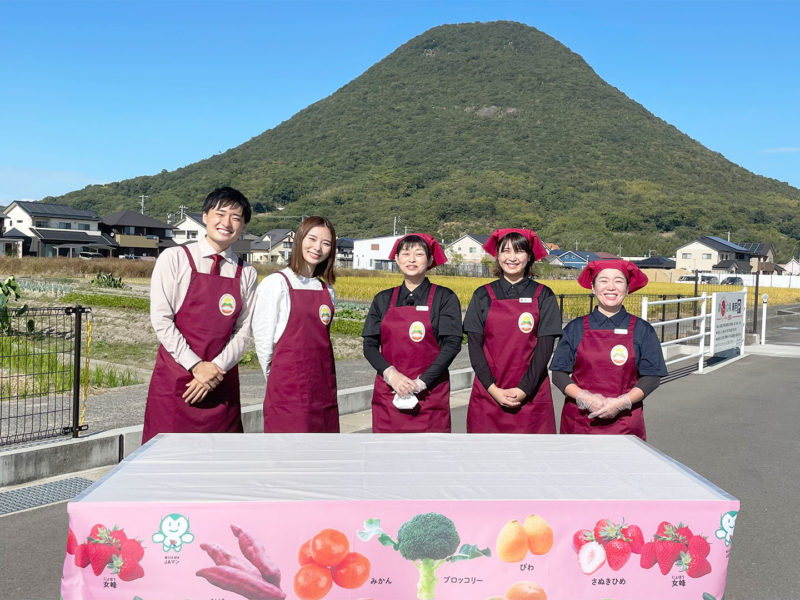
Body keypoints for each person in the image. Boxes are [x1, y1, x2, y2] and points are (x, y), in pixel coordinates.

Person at [143, 187, 257, 443]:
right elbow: (161, 320)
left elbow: (244, 330)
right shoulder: (174, 258)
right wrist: (196, 366)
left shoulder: (246, 272)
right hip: (178, 380)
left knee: (219, 466)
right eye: (220, 213)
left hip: (221, 382)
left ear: (243, 226)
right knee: (168, 461)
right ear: (205, 216)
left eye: (236, 218)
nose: (227, 223)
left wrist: (215, 370)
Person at [550, 259, 668, 440]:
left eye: (619, 281)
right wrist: (585, 398)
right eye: (603, 281)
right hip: (580, 423)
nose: (611, 287)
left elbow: (652, 377)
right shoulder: (575, 328)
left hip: (625, 425)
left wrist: (622, 402)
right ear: (593, 287)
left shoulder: (643, 330)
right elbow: (558, 374)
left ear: (628, 289)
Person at [463, 228, 562, 433]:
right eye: (505, 251)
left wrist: (524, 389)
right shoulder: (482, 295)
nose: (511, 257)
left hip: (531, 393)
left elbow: (545, 348)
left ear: (529, 256)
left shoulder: (544, 295)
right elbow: (474, 346)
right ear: (497, 255)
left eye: (519, 251)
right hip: (489, 393)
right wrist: (492, 389)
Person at [362, 234, 462, 433]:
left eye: (419, 254)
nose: (412, 259)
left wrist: (422, 382)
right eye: (406, 254)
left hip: (430, 395)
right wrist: (392, 375)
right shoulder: (382, 299)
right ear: (397, 259)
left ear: (430, 260)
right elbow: (369, 345)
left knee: (430, 458)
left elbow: (452, 345)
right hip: (389, 393)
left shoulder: (445, 297)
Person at [252, 216, 339, 432]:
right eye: (312, 239)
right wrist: (277, 381)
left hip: (323, 386)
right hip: (288, 388)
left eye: (326, 243)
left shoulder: (327, 291)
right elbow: (263, 340)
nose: (317, 248)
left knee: (323, 454)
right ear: (299, 239)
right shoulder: (277, 283)